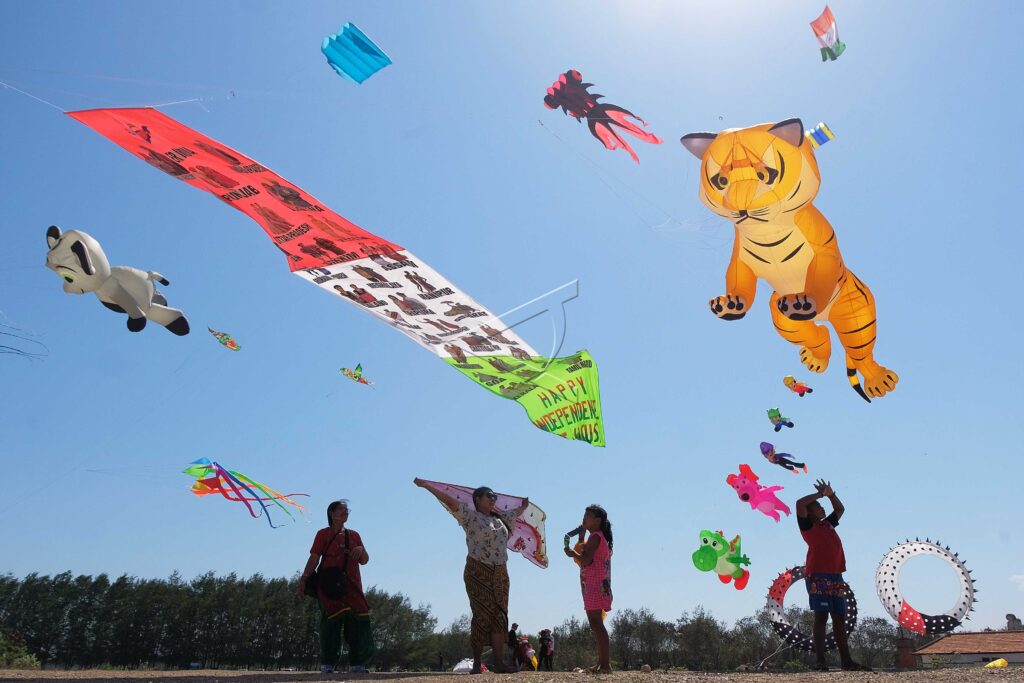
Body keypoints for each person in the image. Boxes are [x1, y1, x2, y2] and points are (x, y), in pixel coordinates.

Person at [415, 478, 529, 674]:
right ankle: (477, 663)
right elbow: (450, 502)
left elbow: (516, 512)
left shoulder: (501, 520)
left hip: (500, 571)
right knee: (481, 614)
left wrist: (524, 506)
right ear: (477, 499)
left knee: (500, 616)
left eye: (495, 496)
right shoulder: (470, 517)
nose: (493, 499)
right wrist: (428, 487)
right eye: (489, 496)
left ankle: (499, 663)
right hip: (478, 569)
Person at [795, 480, 868, 672]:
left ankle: (846, 661)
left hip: (836, 576)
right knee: (821, 617)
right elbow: (799, 504)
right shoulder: (808, 528)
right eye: (819, 507)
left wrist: (830, 494)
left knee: (839, 617)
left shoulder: (827, 524)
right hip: (818, 576)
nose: (822, 509)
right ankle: (820, 662)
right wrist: (819, 495)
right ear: (810, 513)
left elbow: (840, 509)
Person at [297, 500, 375, 674]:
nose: (345, 512)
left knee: (359, 622)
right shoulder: (323, 534)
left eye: (347, 510)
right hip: (329, 585)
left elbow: (365, 561)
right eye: (341, 509)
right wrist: (303, 579)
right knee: (330, 623)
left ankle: (357, 663)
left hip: (352, 585)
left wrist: (361, 550)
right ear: (331, 513)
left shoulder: (354, 535)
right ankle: (327, 663)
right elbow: (314, 558)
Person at [564, 504, 613, 674]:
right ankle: (602, 663)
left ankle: (605, 665)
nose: (584, 518)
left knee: (596, 624)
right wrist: (580, 539)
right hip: (599, 584)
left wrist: (572, 554)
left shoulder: (595, 537)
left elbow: (585, 560)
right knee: (597, 624)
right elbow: (586, 555)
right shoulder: (597, 537)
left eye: (588, 515)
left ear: (597, 520)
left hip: (594, 585)